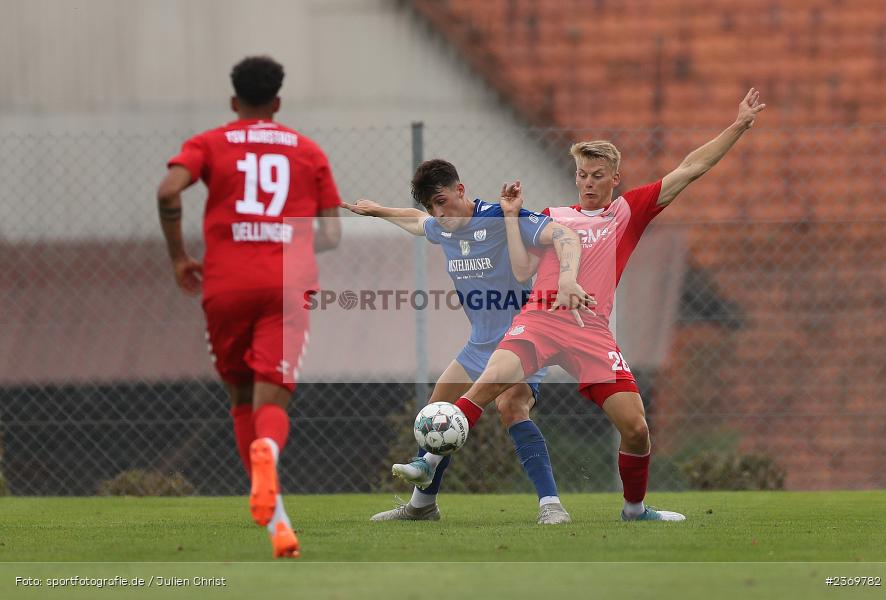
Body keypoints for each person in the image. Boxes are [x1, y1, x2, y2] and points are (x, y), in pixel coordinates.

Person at [392, 89, 766, 522]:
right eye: (581, 174)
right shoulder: (551, 216)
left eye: (596, 174)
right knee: (487, 386)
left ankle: (635, 509)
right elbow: (514, 263)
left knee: (637, 427)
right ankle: (429, 463)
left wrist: (737, 126)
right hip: (539, 322)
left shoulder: (628, 212)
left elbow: (690, 168)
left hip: (590, 331)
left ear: (614, 178)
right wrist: (508, 220)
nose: (587, 182)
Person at [156, 56, 342, 557]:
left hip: (227, 285)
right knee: (273, 398)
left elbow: (168, 190)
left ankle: (277, 523)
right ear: (277, 102)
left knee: (240, 396)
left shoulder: (211, 142)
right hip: (286, 286)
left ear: (234, 101)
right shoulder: (308, 151)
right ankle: (270, 451)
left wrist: (178, 257)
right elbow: (330, 233)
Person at [342, 159, 590, 524]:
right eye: (432, 207)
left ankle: (551, 505)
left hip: (523, 340)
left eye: (441, 201)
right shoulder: (443, 227)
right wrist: (377, 210)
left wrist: (568, 278)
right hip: (479, 344)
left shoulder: (502, 216)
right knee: (437, 409)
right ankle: (422, 507)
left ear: (461, 190)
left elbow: (564, 235)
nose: (438, 213)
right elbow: (415, 221)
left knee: (511, 408)